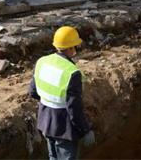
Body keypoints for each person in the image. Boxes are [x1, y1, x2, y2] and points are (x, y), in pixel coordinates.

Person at [29, 26, 95, 160]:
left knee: (53, 157)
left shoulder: (41, 62)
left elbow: (33, 92)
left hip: (45, 121)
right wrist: (85, 130)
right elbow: (74, 109)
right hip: (64, 128)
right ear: (71, 48)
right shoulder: (72, 73)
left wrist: (49, 102)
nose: (76, 50)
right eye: (75, 46)